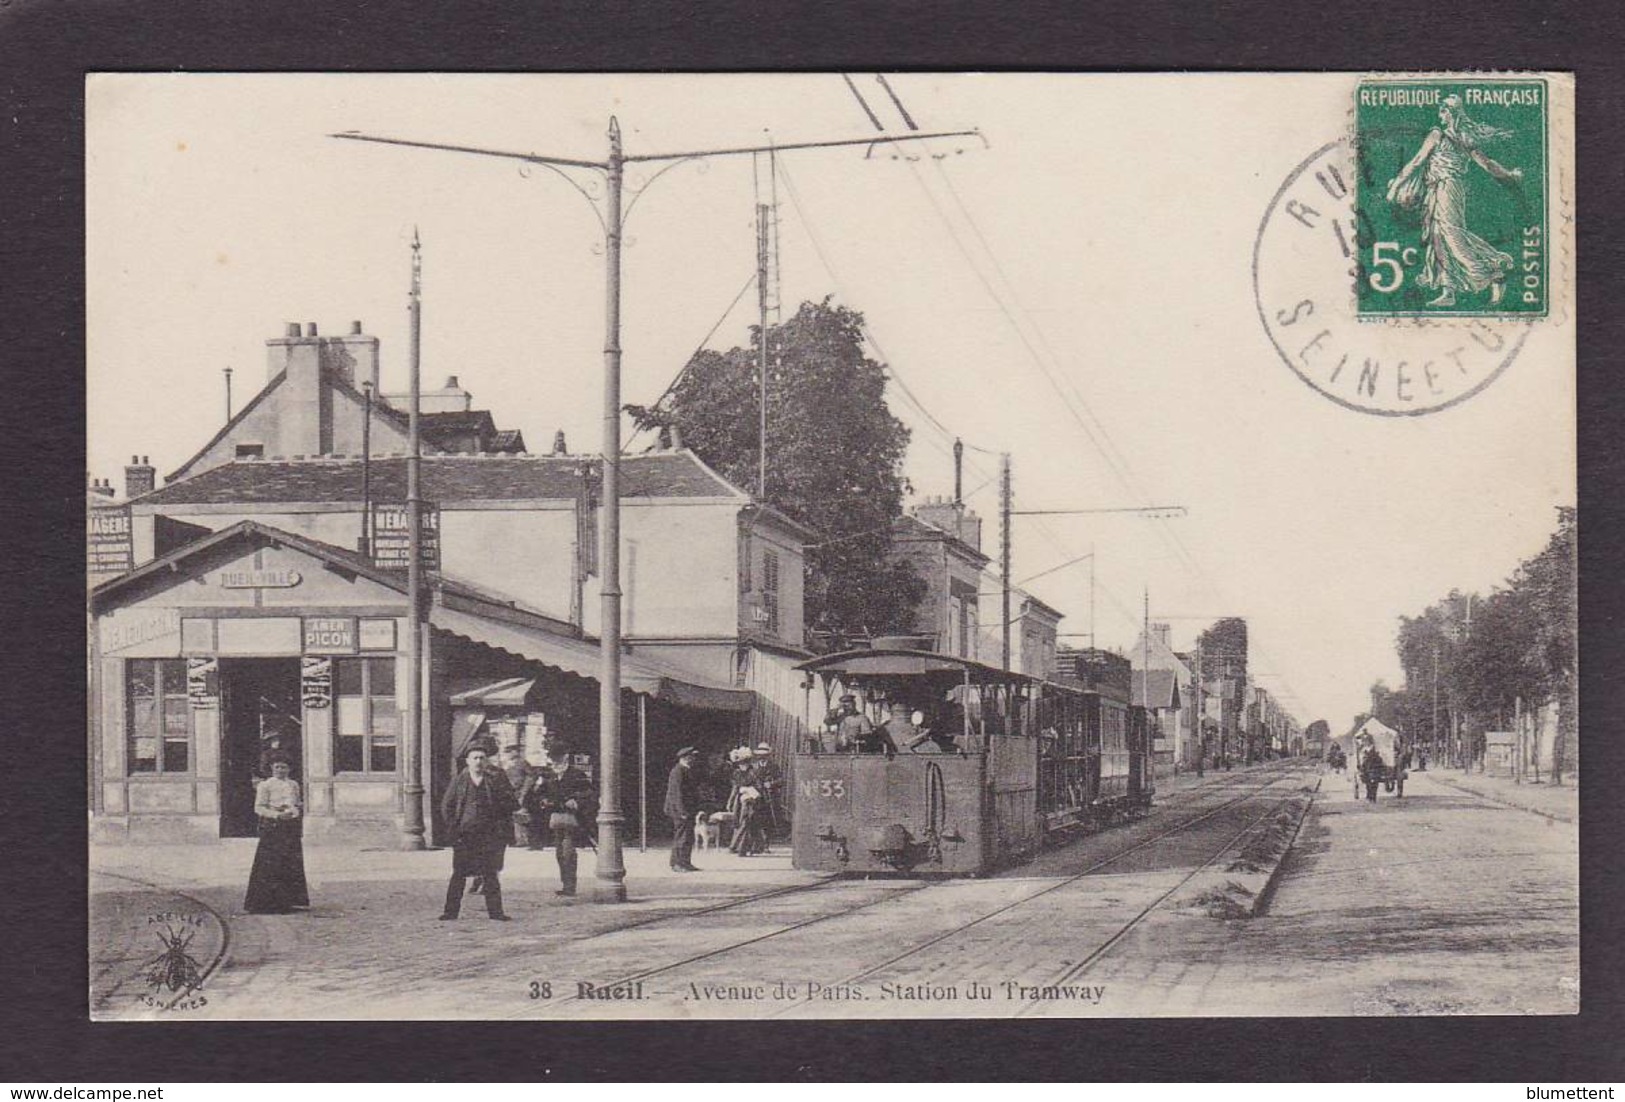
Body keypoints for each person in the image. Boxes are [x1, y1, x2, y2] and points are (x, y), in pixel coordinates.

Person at [1386, 94, 1524, 308]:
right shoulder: (1464, 138)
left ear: (1450, 113)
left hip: (1447, 188)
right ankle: (1448, 290)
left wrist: (1396, 186)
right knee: (1439, 236)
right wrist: (1510, 175)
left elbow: (1416, 162)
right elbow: (1488, 164)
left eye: (1443, 110)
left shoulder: (1438, 134)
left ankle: (1493, 274)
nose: (1439, 114)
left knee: (1451, 234)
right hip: (1441, 188)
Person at [439, 737, 518, 920]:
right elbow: (446, 806)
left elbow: (510, 804)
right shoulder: (459, 781)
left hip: (489, 835)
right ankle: (450, 912)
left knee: (490, 874)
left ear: (486, 761)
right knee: (459, 874)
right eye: (474, 758)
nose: (478, 762)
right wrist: (453, 829)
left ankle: (496, 913)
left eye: (482, 758)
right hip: (464, 836)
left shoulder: (494, 780)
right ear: (467, 760)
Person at [244, 753, 309, 914]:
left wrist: (295, 809)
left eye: (284, 767)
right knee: (271, 863)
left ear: (290, 769)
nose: (281, 770)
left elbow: (297, 802)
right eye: (277, 767)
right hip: (272, 827)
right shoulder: (265, 785)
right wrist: (277, 814)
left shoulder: (294, 784)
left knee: (289, 862)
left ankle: (288, 901)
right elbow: (258, 807)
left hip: (290, 826)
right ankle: (266, 903)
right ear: (271, 768)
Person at [536, 744, 597, 897]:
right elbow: (538, 794)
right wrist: (543, 799)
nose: (556, 764)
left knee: (567, 851)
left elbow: (589, 794)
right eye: (554, 760)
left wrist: (576, 801)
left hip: (572, 818)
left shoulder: (576, 774)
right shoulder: (549, 776)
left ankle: (570, 885)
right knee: (559, 852)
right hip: (556, 817)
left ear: (565, 758)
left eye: (559, 759)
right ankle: (566, 883)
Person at [663, 746, 701, 872]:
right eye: (691, 756)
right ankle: (677, 863)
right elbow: (676, 793)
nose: (693, 759)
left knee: (688, 836)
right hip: (680, 810)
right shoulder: (678, 771)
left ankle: (685, 862)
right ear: (685, 758)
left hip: (688, 809)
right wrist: (681, 811)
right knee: (681, 836)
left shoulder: (687, 770)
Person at [750, 742, 785, 842]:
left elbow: (781, 780)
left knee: (769, 819)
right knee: (756, 819)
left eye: (764, 755)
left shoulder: (774, 767)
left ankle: (767, 842)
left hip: (770, 797)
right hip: (757, 797)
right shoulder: (753, 767)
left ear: (768, 756)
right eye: (760, 755)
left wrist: (772, 784)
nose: (762, 757)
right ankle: (757, 843)